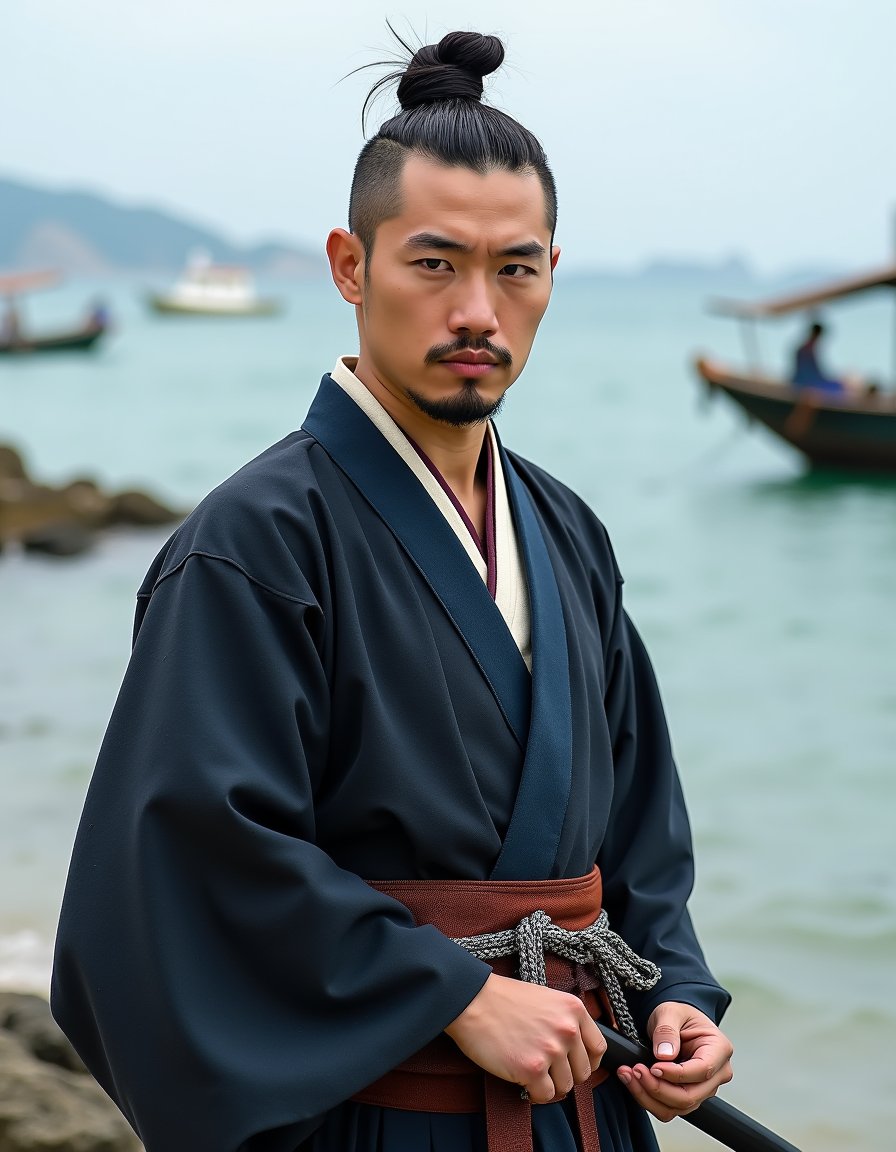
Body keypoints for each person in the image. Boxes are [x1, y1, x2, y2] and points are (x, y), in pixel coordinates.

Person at [51, 30, 734, 1152]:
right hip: (380, 1119)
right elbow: (184, 861)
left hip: (581, 1111)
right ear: (349, 265)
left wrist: (675, 996)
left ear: (552, 277)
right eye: (434, 263)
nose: (477, 310)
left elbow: (640, 831)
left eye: (514, 267)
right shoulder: (254, 542)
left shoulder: (566, 533)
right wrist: (455, 995)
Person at [791, 320, 851, 394]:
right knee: (837, 387)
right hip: (804, 383)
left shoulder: (807, 349)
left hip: (809, 381)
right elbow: (809, 373)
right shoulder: (805, 350)